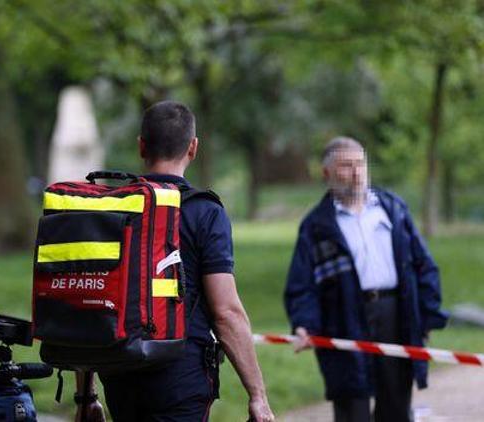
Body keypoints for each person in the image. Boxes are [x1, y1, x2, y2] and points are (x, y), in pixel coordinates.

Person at [77, 101, 274, 422]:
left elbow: (93, 300)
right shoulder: (205, 212)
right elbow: (226, 312)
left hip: (119, 372)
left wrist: (86, 396)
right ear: (193, 148)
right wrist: (258, 396)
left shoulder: (113, 207)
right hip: (180, 377)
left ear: (141, 146)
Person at [284, 137, 448, 422]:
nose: (357, 172)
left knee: (396, 403)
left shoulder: (393, 209)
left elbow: (423, 266)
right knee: (352, 406)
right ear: (327, 173)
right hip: (343, 317)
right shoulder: (316, 226)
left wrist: (427, 315)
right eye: (346, 166)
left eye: (360, 164)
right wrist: (304, 324)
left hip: (394, 313)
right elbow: (302, 285)